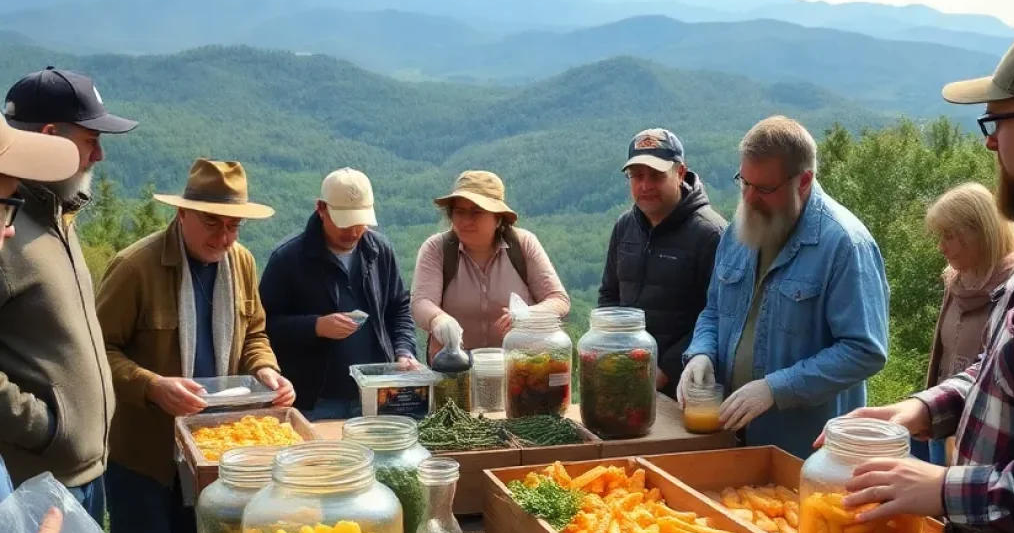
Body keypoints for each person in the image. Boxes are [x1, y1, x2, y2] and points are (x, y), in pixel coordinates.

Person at [834, 35, 1014, 533]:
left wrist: (940, 487)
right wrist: (914, 411)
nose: (989, 144)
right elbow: (989, 374)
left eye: (998, 121)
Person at [680, 115, 889, 533]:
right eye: (743, 183)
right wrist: (698, 350)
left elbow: (866, 347)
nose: (748, 197)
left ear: (804, 182)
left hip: (804, 447)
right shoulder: (740, 229)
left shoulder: (844, 244)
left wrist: (777, 387)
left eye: (764, 189)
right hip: (732, 434)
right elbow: (716, 310)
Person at [96, 159, 294, 533]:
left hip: (213, 453)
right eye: (212, 223)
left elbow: (254, 331)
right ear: (182, 213)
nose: (224, 237)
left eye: (233, 226)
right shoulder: (136, 267)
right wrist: (152, 386)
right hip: (144, 459)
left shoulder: (241, 262)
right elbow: (97, 352)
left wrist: (266, 369)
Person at [0, 115, 131, 533]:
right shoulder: (21, 238)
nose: (6, 230)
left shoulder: (60, 222)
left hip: (77, 469)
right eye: (0, 205)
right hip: (42, 472)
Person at [0, 67, 139, 524]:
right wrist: (42, 427)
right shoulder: (7, 230)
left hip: (84, 472)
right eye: (89, 140)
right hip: (37, 484)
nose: (99, 154)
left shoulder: (59, 213)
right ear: (48, 137)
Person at [260, 168, 419, 420]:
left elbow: (399, 307)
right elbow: (264, 327)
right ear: (321, 209)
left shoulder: (379, 251)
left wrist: (404, 351)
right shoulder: (288, 259)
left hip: (377, 392)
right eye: (344, 223)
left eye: (360, 223)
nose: (353, 232)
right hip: (315, 400)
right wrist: (316, 326)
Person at [598, 128, 726, 398]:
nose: (644, 185)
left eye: (656, 175)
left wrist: (666, 367)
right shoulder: (624, 228)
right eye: (637, 176)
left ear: (680, 172)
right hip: (628, 378)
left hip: (687, 388)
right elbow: (609, 295)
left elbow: (719, 314)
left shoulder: (711, 235)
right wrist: (618, 354)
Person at [412, 170, 569, 360]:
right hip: (455, 369)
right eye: (459, 212)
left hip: (519, 365)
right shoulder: (437, 249)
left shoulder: (523, 244)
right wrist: (438, 319)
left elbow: (559, 300)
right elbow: (421, 302)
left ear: (498, 218)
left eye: (476, 212)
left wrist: (527, 315)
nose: (465, 221)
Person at [918, 182, 1014, 464]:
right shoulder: (955, 281)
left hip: (986, 441)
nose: (941, 246)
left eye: (950, 236)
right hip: (941, 418)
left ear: (983, 233)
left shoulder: (1013, 291)